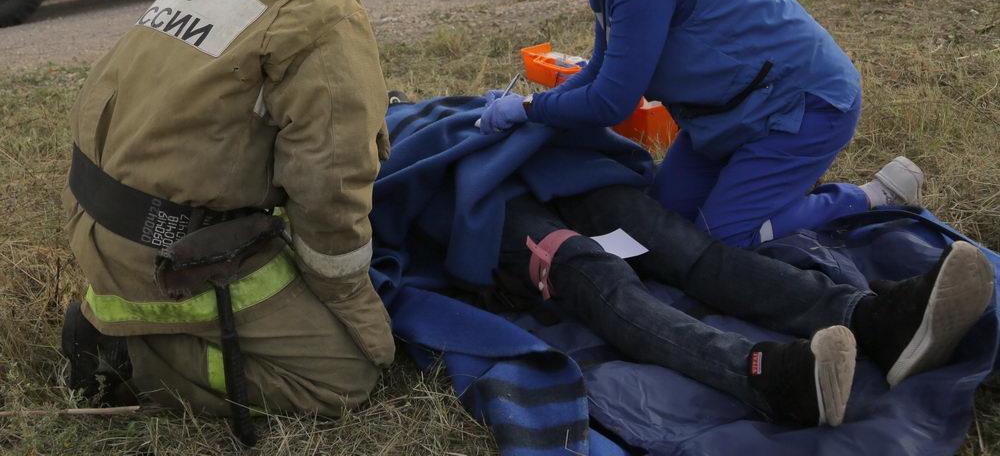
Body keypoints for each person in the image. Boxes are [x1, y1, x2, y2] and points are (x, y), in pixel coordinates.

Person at [378, 93, 995, 430]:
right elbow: (401, 190)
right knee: (591, 269)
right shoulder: (381, 130)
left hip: (558, 171)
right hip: (488, 203)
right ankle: (766, 378)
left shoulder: (441, 100)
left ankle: (872, 319)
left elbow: (541, 114)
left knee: (681, 247)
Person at [60, 0, 395, 433]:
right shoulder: (321, 4)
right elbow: (330, 183)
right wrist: (355, 306)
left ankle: (113, 320)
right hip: (176, 254)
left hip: (100, 225)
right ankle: (133, 357)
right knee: (346, 377)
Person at [479, 0, 923, 248]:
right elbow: (601, 69)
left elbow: (611, 102)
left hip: (801, 106)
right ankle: (764, 192)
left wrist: (528, 110)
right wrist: (537, 105)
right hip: (729, 114)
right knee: (659, 224)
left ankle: (867, 196)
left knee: (727, 237)